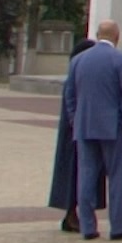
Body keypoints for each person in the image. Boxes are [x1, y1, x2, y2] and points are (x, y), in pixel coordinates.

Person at [64, 20, 122, 241]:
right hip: (114, 127)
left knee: (86, 175)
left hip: (84, 125)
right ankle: (119, 226)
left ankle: (88, 226)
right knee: (118, 176)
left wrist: (74, 119)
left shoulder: (78, 60)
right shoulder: (121, 60)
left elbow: (69, 95)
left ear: (98, 34)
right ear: (117, 36)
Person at [48, 37, 101, 232]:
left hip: (75, 131)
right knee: (76, 172)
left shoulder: (75, 75)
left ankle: (74, 212)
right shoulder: (78, 78)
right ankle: (72, 213)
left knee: (77, 172)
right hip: (77, 133)